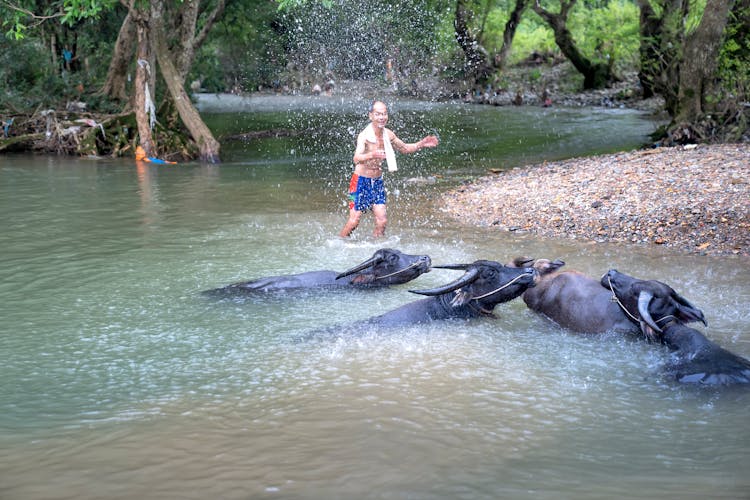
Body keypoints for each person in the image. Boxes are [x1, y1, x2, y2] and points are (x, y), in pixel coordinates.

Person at [339, 100, 439, 238]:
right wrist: (372, 155)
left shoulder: (389, 134)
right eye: (378, 114)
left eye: (384, 114)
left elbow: (404, 148)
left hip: (377, 181)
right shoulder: (364, 136)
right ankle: (340, 243)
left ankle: (376, 251)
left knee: (382, 221)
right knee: (354, 221)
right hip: (359, 181)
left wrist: (421, 144)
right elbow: (356, 158)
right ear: (371, 116)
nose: (382, 117)